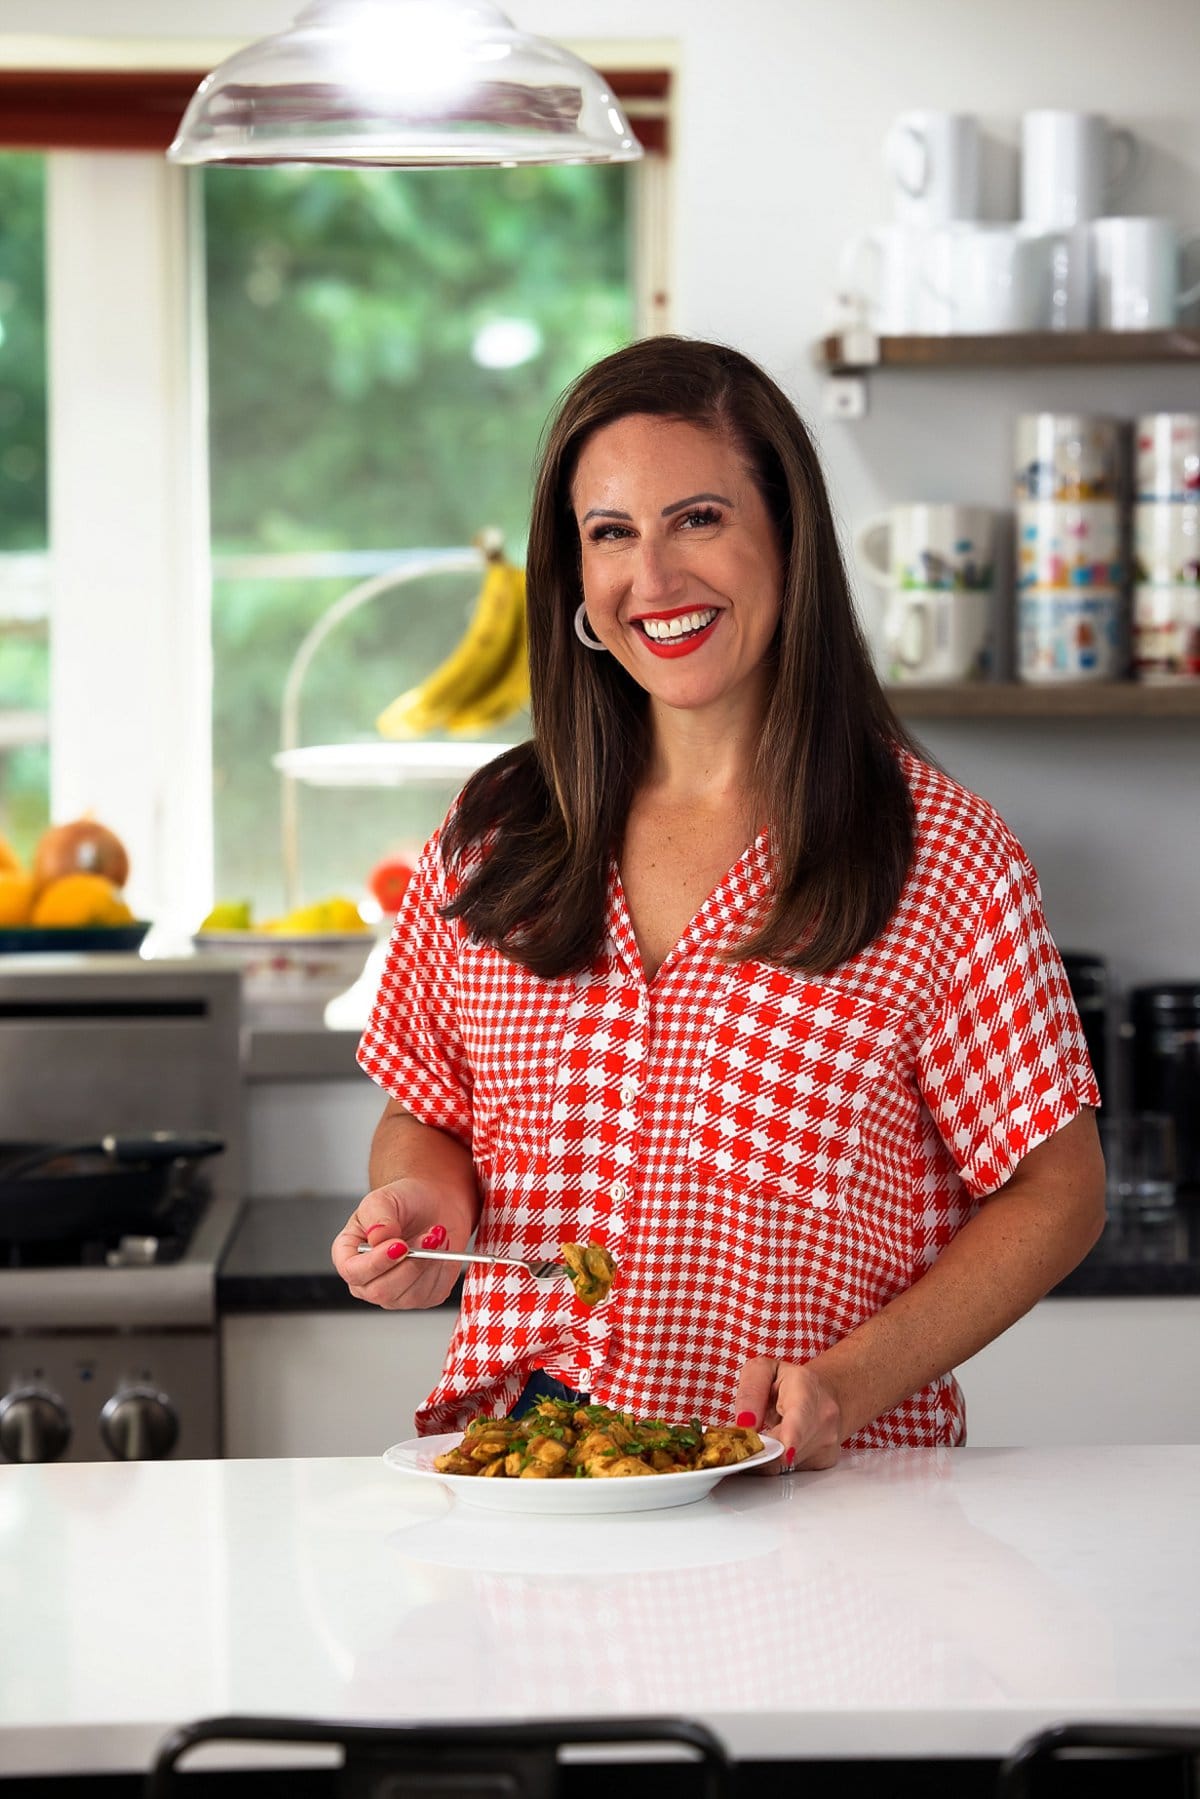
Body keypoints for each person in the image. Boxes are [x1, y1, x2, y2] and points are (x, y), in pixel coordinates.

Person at [332, 335, 1105, 1470]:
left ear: (786, 538)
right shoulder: (497, 830)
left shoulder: (940, 855)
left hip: (834, 1517)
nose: (654, 579)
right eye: (611, 534)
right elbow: (431, 1112)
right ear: (577, 576)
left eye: (697, 518)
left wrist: (847, 1383)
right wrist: (418, 1212)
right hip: (537, 1490)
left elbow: (1060, 1189)